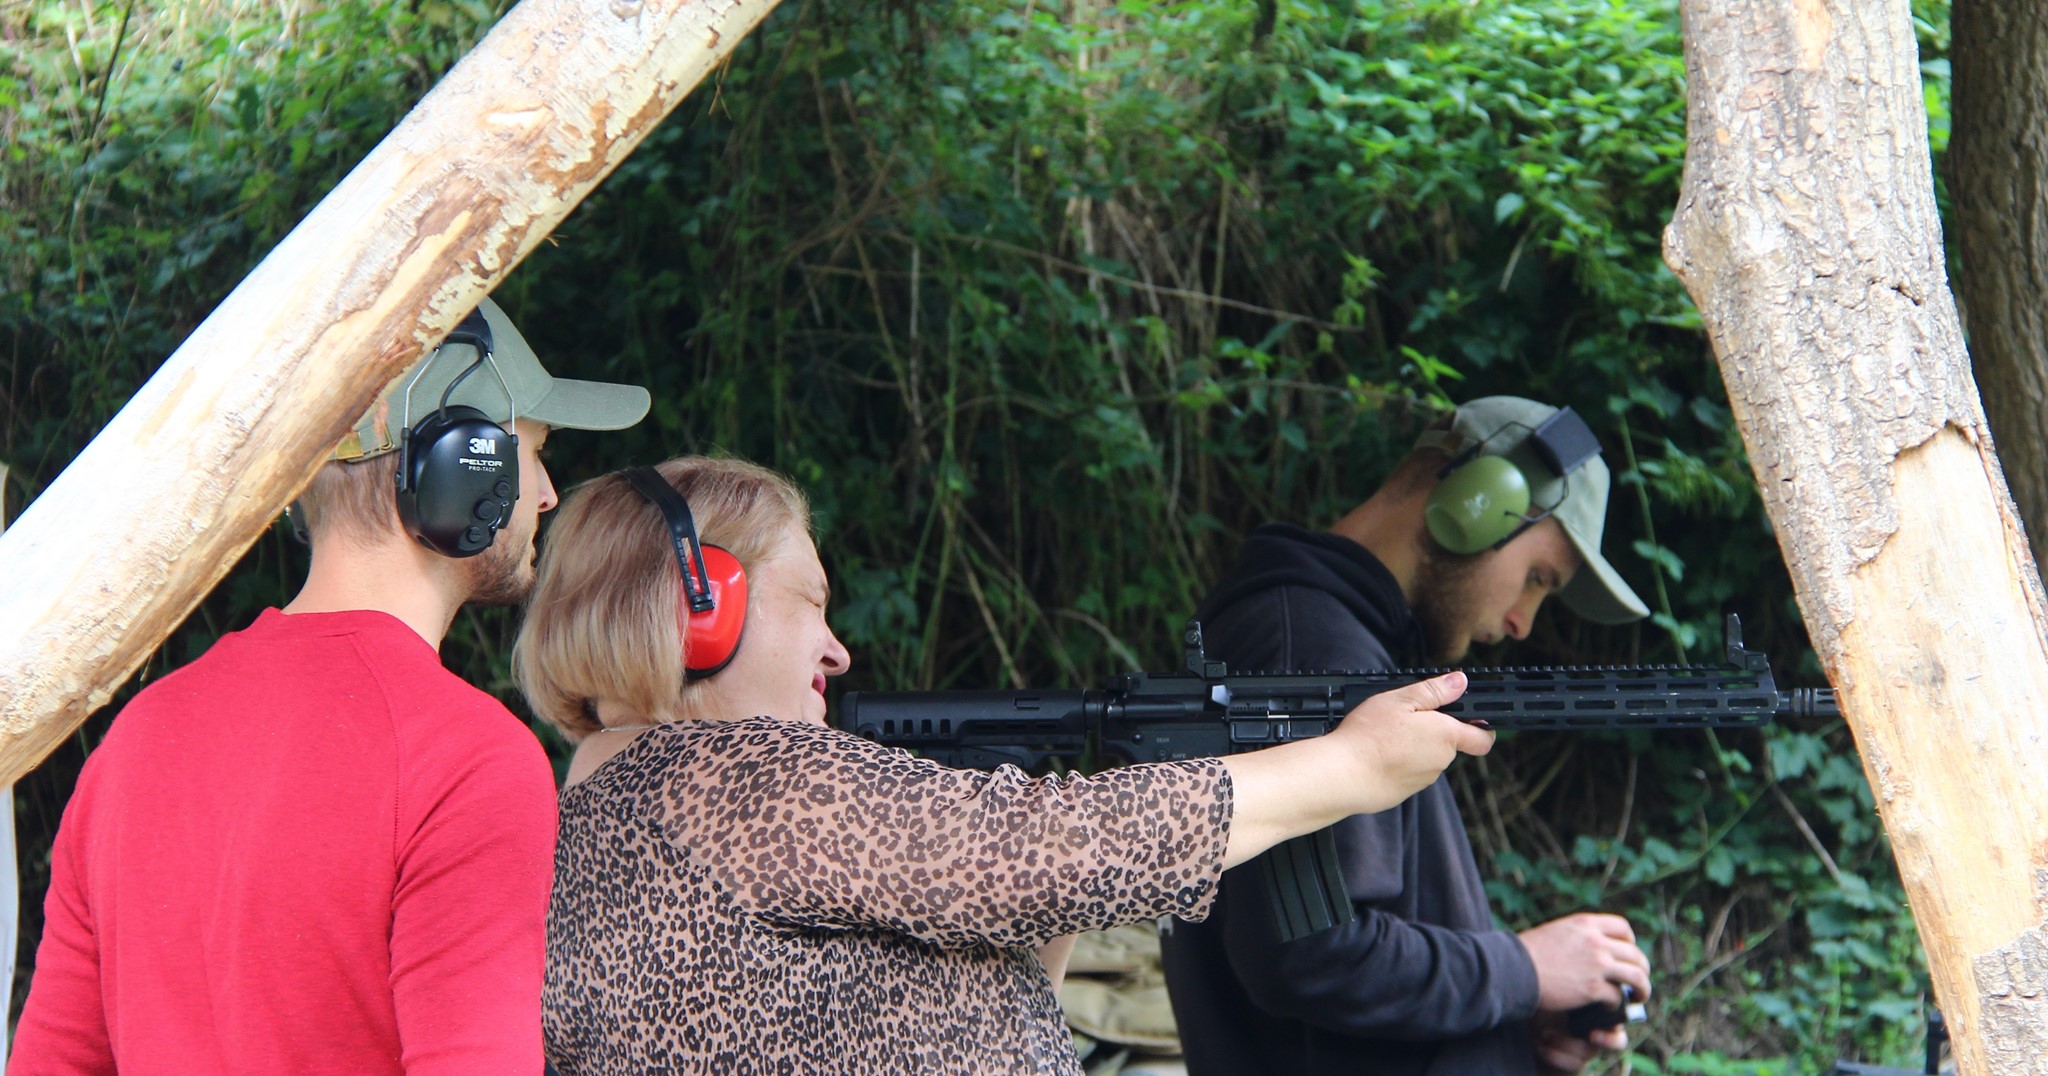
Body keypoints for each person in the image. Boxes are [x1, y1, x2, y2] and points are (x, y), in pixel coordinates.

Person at [511, 456, 1498, 1075]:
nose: (836, 648)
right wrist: (1349, 764)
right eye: (809, 599)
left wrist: (1047, 870)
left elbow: (984, 963)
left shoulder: (607, 803)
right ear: (702, 604)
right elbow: (1037, 845)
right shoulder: (729, 778)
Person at [12, 299, 650, 1074]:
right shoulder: (469, 763)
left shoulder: (134, 741)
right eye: (533, 451)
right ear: (456, 462)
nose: (548, 493)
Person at [1158, 396, 1659, 1076]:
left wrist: (1513, 1019)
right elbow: (1307, 958)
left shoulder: (1356, 655)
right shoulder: (1308, 652)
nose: (1523, 623)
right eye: (1538, 577)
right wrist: (1524, 969)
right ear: (1476, 499)